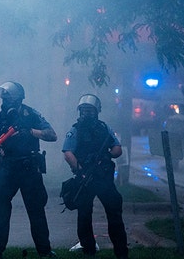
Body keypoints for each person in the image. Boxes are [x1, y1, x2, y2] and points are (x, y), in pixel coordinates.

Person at [0, 81, 57, 259]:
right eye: (3, 98)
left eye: (8, 97)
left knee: (36, 210)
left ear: (17, 98)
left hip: (29, 169)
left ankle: (45, 251)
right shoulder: (0, 117)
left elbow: (52, 134)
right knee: (1, 209)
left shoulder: (31, 114)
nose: (4, 101)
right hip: (7, 168)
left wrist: (31, 132)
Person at [62, 94, 129, 259]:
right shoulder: (93, 128)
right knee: (91, 214)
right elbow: (68, 153)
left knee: (96, 213)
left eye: (88, 110)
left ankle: (95, 250)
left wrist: (101, 158)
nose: (86, 113)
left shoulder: (101, 128)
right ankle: (114, 252)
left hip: (98, 177)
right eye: (84, 110)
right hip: (91, 178)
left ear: (95, 111)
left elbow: (117, 149)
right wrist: (81, 170)